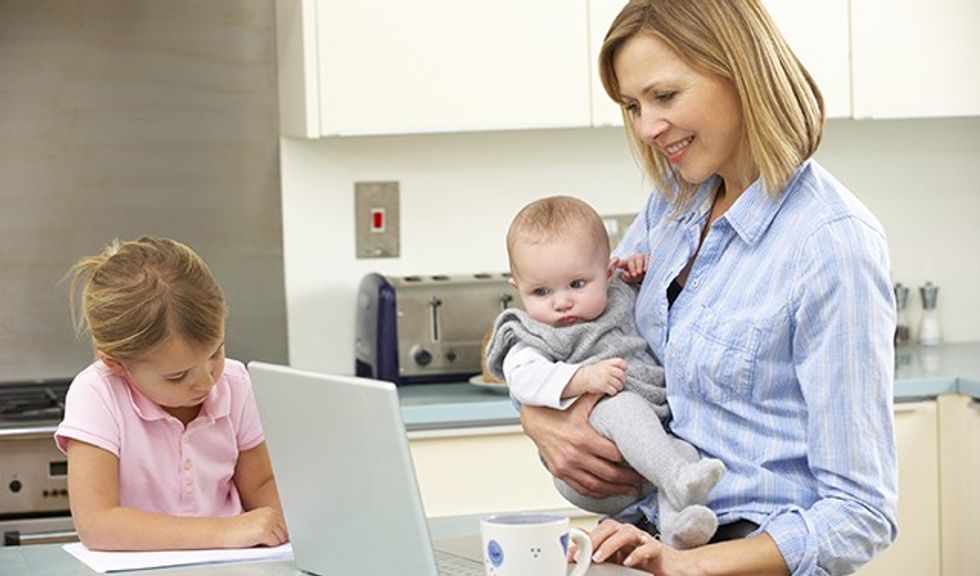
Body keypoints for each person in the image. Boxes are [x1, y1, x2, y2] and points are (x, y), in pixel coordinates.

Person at [518, 1, 899, 575]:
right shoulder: (672, 205)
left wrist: (692, 566)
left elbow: (860, 512)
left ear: (740, 69)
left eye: (665, 97)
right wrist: (539, 416)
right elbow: (577, 329)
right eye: (633, 106)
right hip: (646, 537)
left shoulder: (830, 245)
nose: (647, 127)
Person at [485, 196, 725, 549]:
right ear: (516, 289)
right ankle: (676, 479)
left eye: (577, 284)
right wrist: (581, 379)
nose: (561, 302)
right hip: (593, 470)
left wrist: (644, 273)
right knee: (621, 406)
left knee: (686, 453)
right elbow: (523, 378)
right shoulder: (533, 333)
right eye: (540, 291)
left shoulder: (620, 297)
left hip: (648, 453)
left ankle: (679, 532)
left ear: (609, 273)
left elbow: (659, 304)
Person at [55, 237, 288, 551]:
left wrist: (295, 522)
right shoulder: (97, 394)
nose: (206, 381)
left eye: (216, 353)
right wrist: (223, 532)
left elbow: (259, 484)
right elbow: (97, 524)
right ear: (115, 362)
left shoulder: (235, 382)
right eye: (177, 376)